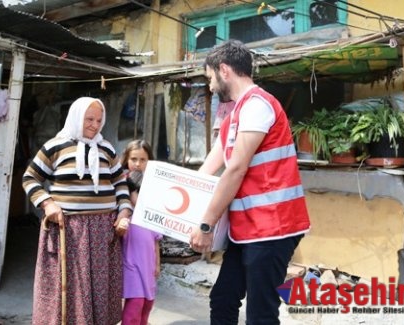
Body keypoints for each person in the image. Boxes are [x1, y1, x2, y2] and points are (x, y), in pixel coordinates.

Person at [189, 39, 311, 325]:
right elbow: (209, 166)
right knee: (223, 298)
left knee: (260, 314)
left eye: (210, 79)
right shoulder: (234, 114)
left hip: (274, 227)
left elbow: (236, 169)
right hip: (248, 229)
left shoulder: (258, 105)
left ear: (224, 70)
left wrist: (206, 224)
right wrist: (180, 204)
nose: (210, 86)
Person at [23, 96, 133, 325]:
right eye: (89, 119)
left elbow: (120, 183)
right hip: (68, 230)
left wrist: (124, 212)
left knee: (99, 288)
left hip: (103, 231)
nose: (94, 125)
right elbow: (30, 178)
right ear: (76, 117)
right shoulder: (55, 146)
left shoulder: (107, 148)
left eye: (99, 120)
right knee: (69, 287)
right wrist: (47, 203)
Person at [120, 140, 163, 325]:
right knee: (135, 304)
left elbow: (156, 237)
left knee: (147, 304)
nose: (138, 164)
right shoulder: (122, 186)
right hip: (130, 257)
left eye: (143, 160)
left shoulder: (154, 189)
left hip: (148, 260)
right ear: (127, 160)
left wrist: (158, 263)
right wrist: (131, 193)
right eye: (134, 159)